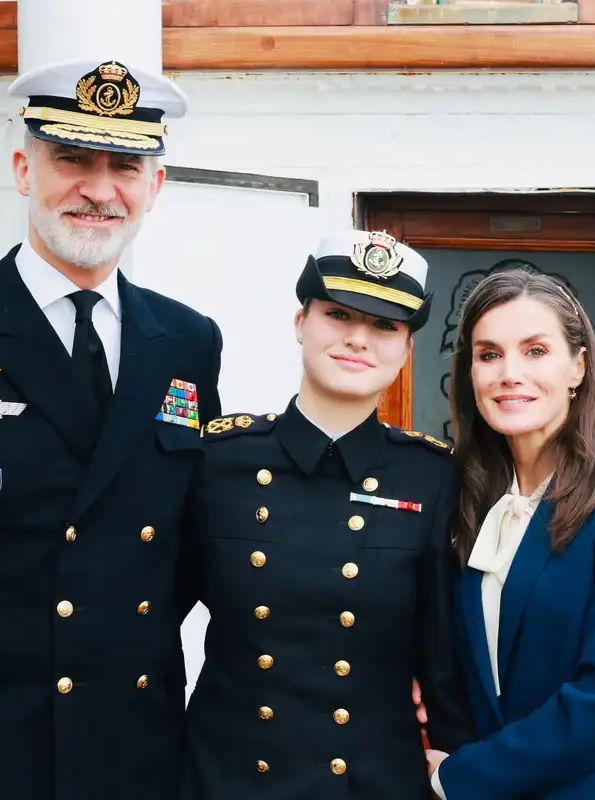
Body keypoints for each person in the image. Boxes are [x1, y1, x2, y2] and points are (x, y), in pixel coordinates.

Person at [0, 58, 221, 800]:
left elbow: (186, 545)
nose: (98, 189)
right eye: (72, 160)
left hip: (135, 751)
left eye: (126, 165)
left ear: (155, 188)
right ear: (25, 168)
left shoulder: (188, 342)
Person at [180, 230, 473, 800]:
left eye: (385, 326)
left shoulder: (432, 478)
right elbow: (149, 621)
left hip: (373, 782)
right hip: (229, 777)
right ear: (300, 323)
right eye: (338, 314)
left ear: (407, 349)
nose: (358, 339)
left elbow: (444, 667)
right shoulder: (217, 461)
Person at [424, 269, 595, 799]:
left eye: (535, 351)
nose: (510, 373)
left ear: (578, 367)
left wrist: (458, 777)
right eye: (489, 355)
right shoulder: (471, 501)